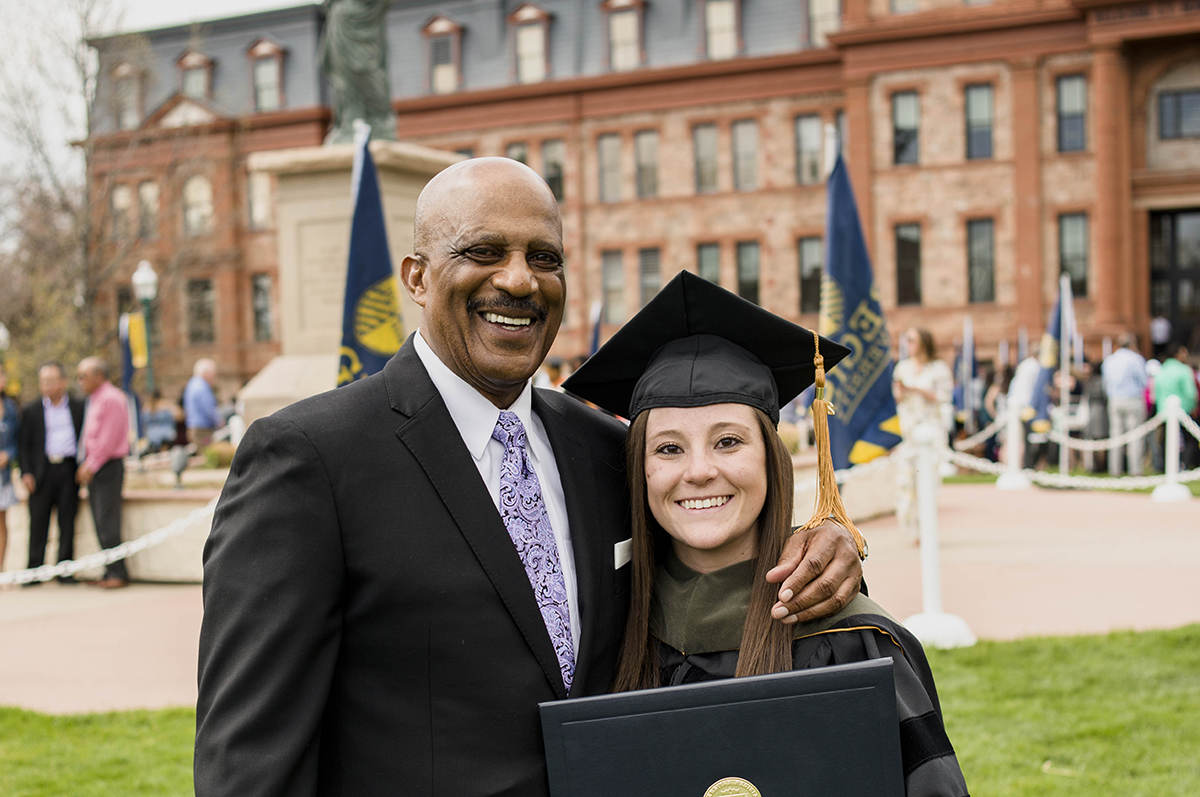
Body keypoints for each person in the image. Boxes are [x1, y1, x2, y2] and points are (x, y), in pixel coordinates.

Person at [194, 157, 865, 796]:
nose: (519, 280)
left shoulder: (606, 450)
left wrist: (828, 541)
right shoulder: (311, 459)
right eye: (483, 251)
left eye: (544, 257)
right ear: (417, 277)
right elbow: (251, 755)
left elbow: (711, 549)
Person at [563, 272, 968, 796]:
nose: (700, 470)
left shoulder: (852, 642)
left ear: (771, 460)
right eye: (668, 449)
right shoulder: (609, 633)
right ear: (638, 472)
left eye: (728, 441)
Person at [17, 362, 85, 581]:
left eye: (50, 381)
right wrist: (26, 473)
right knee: (38, 521)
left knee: (67, 521)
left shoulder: (78, 407)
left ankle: (65, 571)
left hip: (68, 469)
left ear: (63, 382)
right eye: (43, 381)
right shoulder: (30, 410)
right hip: (41, 471)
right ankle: (34, 571)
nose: (45, 385)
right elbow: (23, 445)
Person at [75, 357, 130, 589]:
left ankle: (118, 573)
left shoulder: (111, 399)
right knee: (100, 521)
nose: (80, 382)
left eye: (83, 376)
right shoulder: (95, 399)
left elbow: (107, 441)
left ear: (99, 376)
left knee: (108, 521)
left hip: (107, 466)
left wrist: (90, 466)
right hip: (97, 466)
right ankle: (109, 571)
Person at [892, 329, 953, 538]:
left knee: (928, 482)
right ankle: (912, 528)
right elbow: (897, 399)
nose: (908, 343)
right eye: (906, 339)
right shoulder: (902, 367)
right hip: (908, 433)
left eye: (912, 340)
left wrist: (916, 389)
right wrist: (901, 390)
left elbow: (944, 396)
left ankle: (927, 527)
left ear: (924, 343)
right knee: (906, 482)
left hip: (931, 431)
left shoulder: (938, 368)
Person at [1101, 333, 1147, 476]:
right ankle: (1135, 470)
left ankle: (1115, 470)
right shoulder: (1136, 359)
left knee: (1115, 436)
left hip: (1115, 400)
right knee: (1135, 436)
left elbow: (1105, 383)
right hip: (1132, 399)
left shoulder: (1109, 360)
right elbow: (1143, 381)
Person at [1153, 344, 1198, 472]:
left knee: (1166, 440)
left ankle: (1165, 466)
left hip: (1164, 410)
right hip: (1183, 409)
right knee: (1189, 439)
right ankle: (1185, 464)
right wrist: (1193, 407)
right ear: (1178, 354)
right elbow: (1190, 392)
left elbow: (1156, 391)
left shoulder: (1162, 370)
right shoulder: (1183, 370)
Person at [0, 363, 19, 571]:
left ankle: (1, 569)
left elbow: (17, 441)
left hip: (3, 476)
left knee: (2, 523)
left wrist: (8, 454)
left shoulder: (11, 408)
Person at [184, 358, 223, 447]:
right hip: (203, 429)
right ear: (206, 373)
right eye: (213, 373)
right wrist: (218, 422)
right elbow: (208, 409)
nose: (214, 377)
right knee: (206, 455)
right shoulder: (202, 387)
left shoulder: (192, 384)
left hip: (193, 427)